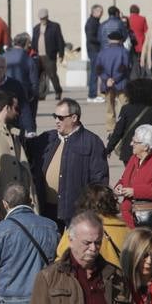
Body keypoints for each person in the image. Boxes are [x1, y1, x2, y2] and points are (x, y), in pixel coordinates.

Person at [30, 98, 109, 231]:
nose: (56, 121)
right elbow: (25, 149)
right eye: (55, 116)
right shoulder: (47, 138)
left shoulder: (92, 142)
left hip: (76, 214)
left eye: (60, 117)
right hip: (47, 210)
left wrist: (92, 212)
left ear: (74, 118)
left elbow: (99, 181)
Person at [0, 89, 35, 227]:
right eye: (16, 108)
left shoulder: (12, 131)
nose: (18, 113)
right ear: (6, 108)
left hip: (19, 207)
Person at [115, 125, 152, 241]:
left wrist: (135, 191)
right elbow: (124, 178)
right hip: (129, 218)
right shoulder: (134, 158)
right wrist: (119, 185)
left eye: (135, 142)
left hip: (150, 221)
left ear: (146, 146)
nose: (131, 144)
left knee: (150, 255)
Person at [54, 183, 131, 268]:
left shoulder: (77, 230)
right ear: (113, 203)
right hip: (118, 279)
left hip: (87, 279)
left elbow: (62, 258)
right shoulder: (128, 231)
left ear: (84, 204)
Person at [105, 78, 152, 166]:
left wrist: (108, 149)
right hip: (148, 152)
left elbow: (118, 132)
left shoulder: (126, 109)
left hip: (128, 152)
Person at [94, 30, 131, 129]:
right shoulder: (124, 52)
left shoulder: (102, 52)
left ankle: (111, 129)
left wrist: (107, 79)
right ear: (120, 40)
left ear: (109, 40)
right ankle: (126, 126)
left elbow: (98, 68)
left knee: (109, 108)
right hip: (121, 83)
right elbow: (125, 67)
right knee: (125, 106)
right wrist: (115, 79)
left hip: (107, 84)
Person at [85, 4, 103, 99]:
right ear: (93, 12)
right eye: (99, 11)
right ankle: (92, 95)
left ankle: (94, 93)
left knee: (96, 72)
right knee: (94, 72)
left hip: (95, 49)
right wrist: (101, 41)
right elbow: (91, 37)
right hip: (94, 50)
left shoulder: (95, 22)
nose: (101, 13)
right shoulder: (91, 23)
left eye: (102, 11)